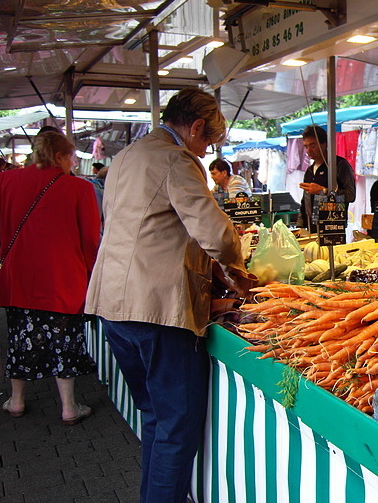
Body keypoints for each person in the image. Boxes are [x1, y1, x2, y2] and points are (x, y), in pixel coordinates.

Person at [85, 87, 253, 503]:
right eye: (208, 140)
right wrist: (236, 264)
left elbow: (154, 227)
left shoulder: (127, 156)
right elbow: (216, 233)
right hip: (156, 308)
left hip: (113, 304)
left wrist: (214, 268)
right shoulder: (177, 159)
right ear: (196, 128)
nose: (207, 149)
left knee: (156, 418)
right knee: (177, 428)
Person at [0, 131, 101, 425]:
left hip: (20, 277)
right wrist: (93, 275)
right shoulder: (79, 188)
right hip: (64, 279)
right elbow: (90, 241)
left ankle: (17, 400)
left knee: (21, 337)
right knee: (65, 340)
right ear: (58, 156)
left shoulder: (5, 181)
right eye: (71, 156)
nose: (74, 161)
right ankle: (69, 406)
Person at [298, 124, 356, 232]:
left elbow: (350, 195)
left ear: (324, 144)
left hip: (333, 228)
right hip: (312, 228)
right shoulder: (309, 171)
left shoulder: (339, 165)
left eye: (313, 145)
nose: (308, 150)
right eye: (306, 146)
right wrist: (301, 225)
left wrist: (323, 191)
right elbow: (304, 201)